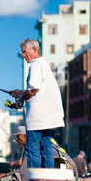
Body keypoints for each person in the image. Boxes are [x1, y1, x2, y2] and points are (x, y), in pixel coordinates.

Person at [10, 39, 64, 169]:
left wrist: (20, 100)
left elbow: (33, 89)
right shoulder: (43, 64)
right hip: (47, 116)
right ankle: (47, 177)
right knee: (46, 147)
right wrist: (22, 93)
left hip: (37, 117)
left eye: (24, 52)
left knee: (32, 148)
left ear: (34, 49)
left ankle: (35, 179)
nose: (23, 55)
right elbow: (38, 90)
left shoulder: (35, 64)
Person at [0, 126, 77, 181]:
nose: (18, 140)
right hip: (71, 169)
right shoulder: (46, 140)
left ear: (26, 136)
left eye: (19, 137)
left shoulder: (32, 146)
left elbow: (25, 171)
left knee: (27, 177)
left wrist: (3, 178)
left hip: (61, 171)